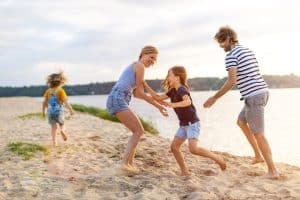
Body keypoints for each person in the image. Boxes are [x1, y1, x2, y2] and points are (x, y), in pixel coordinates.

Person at [203, 26, 279, 178]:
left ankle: (273, 171)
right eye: (219, 42)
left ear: (230, 38)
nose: (221, 45)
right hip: (261, 92)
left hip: (254, 96)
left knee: (259, 134)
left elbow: (232, 81)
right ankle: (258, 155)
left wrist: (214, 97)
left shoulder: (231, 56)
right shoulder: (247, 50)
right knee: (241, 121)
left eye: (222, 41)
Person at [144, 66, 226, 176]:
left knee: (193, 149)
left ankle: (218, 158)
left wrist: (173, 104)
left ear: (177, 78)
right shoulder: (172, 91)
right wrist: (144, 84)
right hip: (183, 125)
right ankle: (184, 171)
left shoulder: (182, 89)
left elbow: (187, 102)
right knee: (174, 147)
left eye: (170, 75)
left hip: (192, 124)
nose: (168, 77)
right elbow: (157, 98)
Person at [106, 45, 168, 173]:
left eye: (155, 59)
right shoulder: (139, 66)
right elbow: (140, 93)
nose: (152, 61)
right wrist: (158, 106)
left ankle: (129, 164)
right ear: (143, 54)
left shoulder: (138, 67)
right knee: (138, 131)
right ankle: (125, 164)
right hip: (118, 98)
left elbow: (138, 94)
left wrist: (159, 104)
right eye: (151, 57)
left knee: (138, 131)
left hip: (118, 98)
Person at [42, 71, 74, 147]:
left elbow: (44, 103)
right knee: (62, 124)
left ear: (50, 82)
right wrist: (71, 110)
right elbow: (66, 102)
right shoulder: (61, 91)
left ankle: (54, 143)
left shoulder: (48, 91)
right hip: (59, 111)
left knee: (53, 127)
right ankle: (62, 131)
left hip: (50, 112)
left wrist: (43, 112)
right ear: (61, 82)